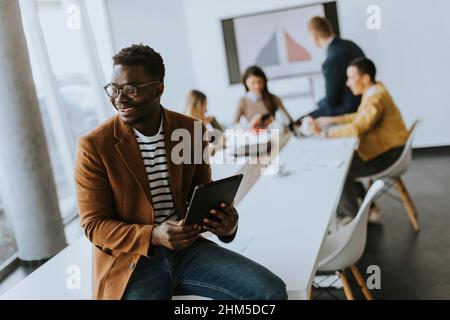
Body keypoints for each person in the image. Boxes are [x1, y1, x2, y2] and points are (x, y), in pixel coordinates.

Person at [74, 44, 287, 300]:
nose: (119, 98)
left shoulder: (191, 131)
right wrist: (153, 235)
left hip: (188, 251)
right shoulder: (95, 145)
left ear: (158, 89)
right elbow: (94, 226)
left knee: (270, 293)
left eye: (130, 89)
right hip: (133, 261)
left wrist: (227, 225)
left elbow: (202, 197)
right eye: (114, 88)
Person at [311, 57, 409, 223]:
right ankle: (367, 210)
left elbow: (357, 128)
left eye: (351, 78)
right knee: (345, 164)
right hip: (390, 149)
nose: (348, 83)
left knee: (340, 169)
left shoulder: (375, 98)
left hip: (390, 155)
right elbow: (361, 117)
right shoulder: (375, 91)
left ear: (365, 78)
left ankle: (351, 218)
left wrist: (323, 134)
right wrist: (332, 120)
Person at [304, 16, 365, 119]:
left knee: (305, 120)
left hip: (350, 110)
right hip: (363, 102)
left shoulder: (331, 60)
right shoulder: (351, 44)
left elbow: (331, 100)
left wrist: (318, 105)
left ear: (314, 36)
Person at [234, 65, 294, 131]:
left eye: (260, 82)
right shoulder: (243, 101)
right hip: (254, 136)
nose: (257, 86)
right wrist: (249, 126)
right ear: (246, 83)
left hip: (273, 136)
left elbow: (289, 121)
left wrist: (279, 123)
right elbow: (234, 125)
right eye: (253, 83)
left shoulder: (273, 98)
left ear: (264, 81)